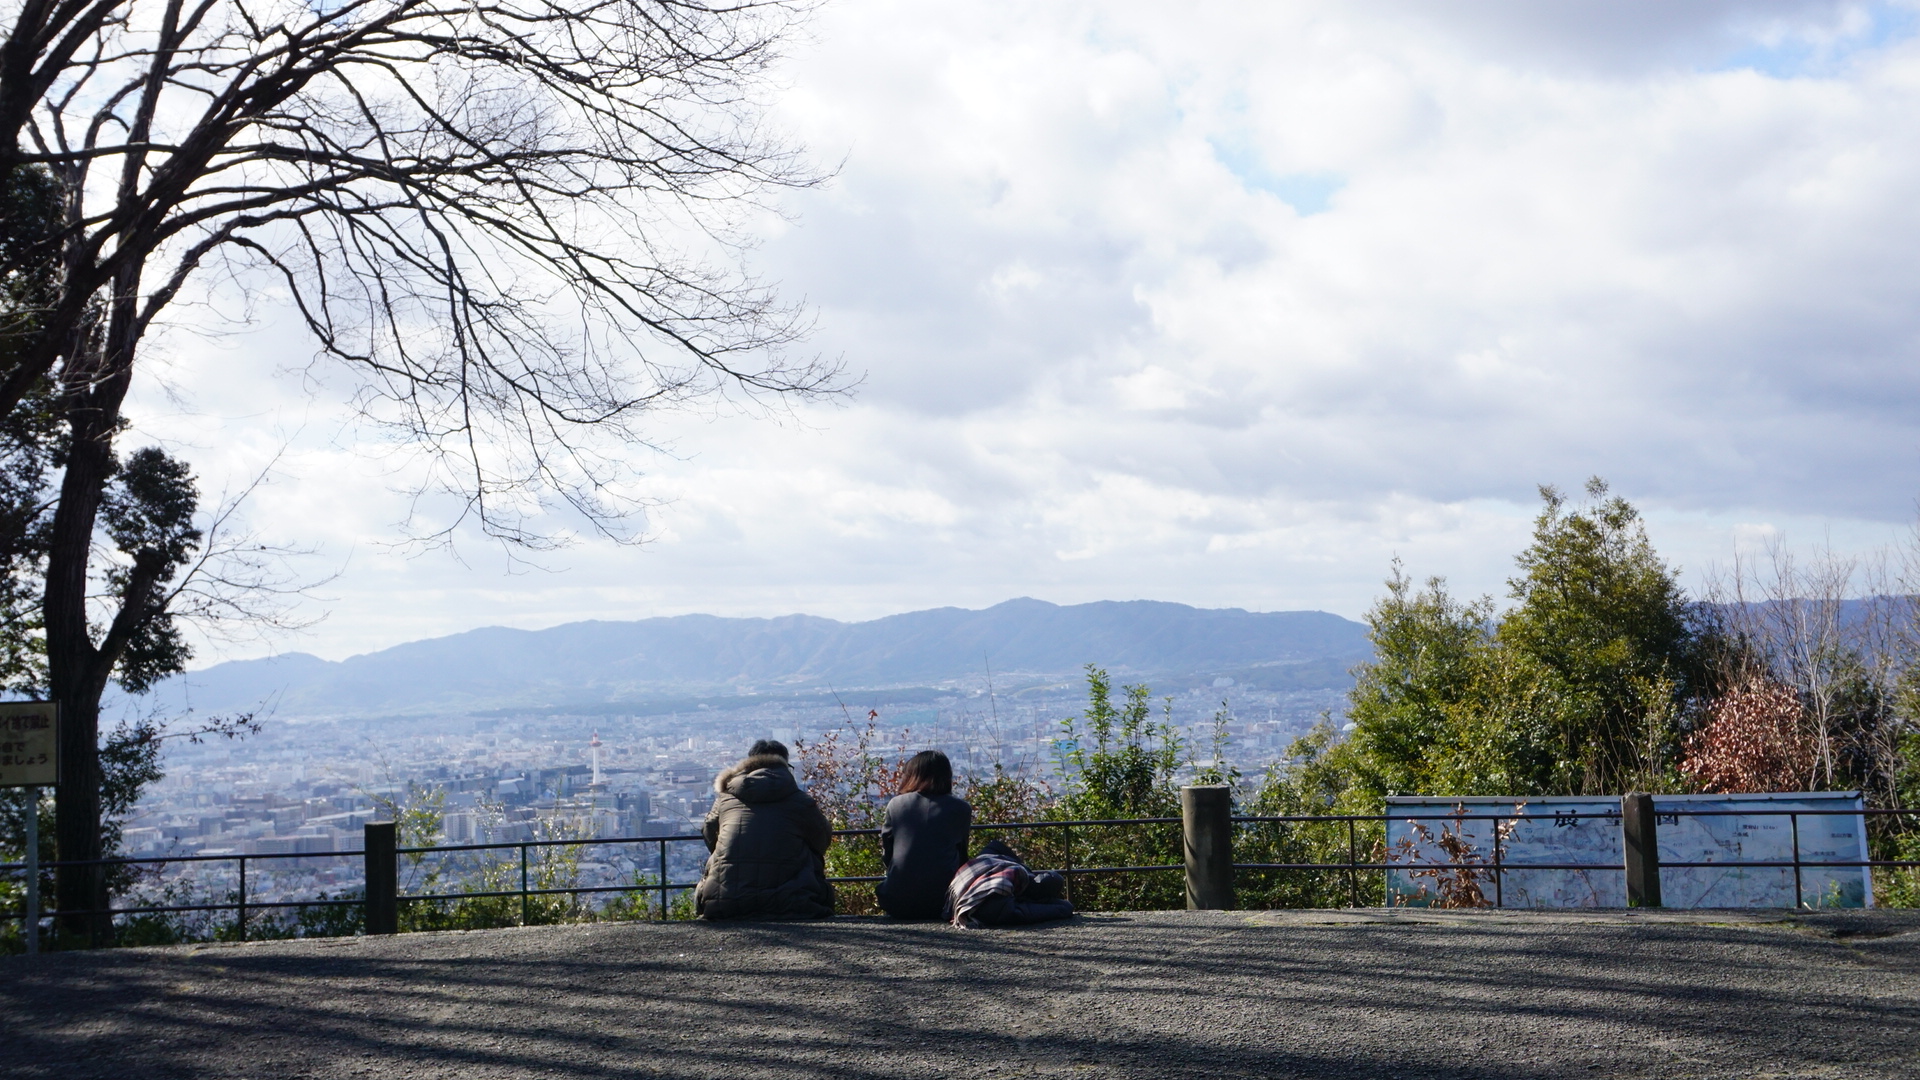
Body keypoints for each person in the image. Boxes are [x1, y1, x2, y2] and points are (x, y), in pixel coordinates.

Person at [695, 739, 835, 919]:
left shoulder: (725, 800)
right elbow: (822, 840)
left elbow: (709, 833)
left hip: (727, 901)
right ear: (785, 765)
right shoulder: (801, 802)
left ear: (748, 764)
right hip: (794, 901)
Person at [875, 750, 972, 919]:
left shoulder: (897, 805)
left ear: (912, 775)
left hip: (897, 900)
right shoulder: (960, 808)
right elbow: (962, 855)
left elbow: (888, 853)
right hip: (945, 902)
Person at [945, 838, 1074, 928]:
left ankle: (1022, 868)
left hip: (976, 874)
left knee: (994, 847)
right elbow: (1059, 909)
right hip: (982, 892)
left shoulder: (1007, 885)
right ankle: (1024, 869)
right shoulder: (1005, 899)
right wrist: (1065, 906)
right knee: (997, 850)